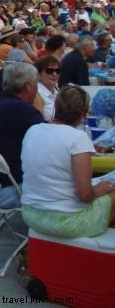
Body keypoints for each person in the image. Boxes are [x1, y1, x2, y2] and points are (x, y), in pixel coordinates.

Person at [21, 86, 115, 238]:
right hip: (65, 221)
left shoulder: (33, 130)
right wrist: (102, 188)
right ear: (84, 114)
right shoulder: (78, 139)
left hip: (30, 214)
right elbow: (85, 194)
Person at [0, 62, 44, 209]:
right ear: (28, 86)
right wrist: (40, 106)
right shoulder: (23, 111)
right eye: (36, 83)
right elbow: (51, 144)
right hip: (10, 192)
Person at [33, 55, 60, 122]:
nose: (55, 74)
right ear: (38, 75)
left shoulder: (58, 91)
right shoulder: (36, 94)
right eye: (50, 71)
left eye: (58, 71)